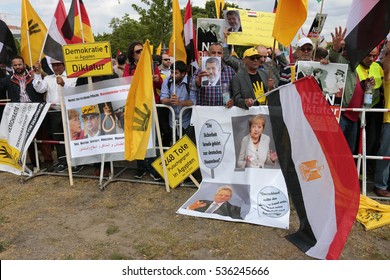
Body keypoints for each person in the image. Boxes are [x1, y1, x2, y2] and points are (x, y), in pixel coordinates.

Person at [0, 55, 53, 169]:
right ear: (12, 66)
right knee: (27, 138)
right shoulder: (8, 79)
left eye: (20, 64)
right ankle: (35, 163)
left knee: (42, 135)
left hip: (36, 110)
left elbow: (45, 83)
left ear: (24, 65)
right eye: (15, 65)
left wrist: (38, 71)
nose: (18, 67)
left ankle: (49, 161)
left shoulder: (33, 75)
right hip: (20, 113)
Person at [123, 41, 164, 180]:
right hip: (137, 108)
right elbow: (124, 86)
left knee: (154, 138)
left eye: (142, 50)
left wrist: (158, 79)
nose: (141, 53)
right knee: (139, 136)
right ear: (132, 55)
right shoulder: (128, 68)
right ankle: (141, 167)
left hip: (152, 106)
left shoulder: (152, 66)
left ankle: (153, 168)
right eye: (137, 51)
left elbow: (160, 85)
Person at [33, 58, 78, 173]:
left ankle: (75, 163)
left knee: (73, 137)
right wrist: (37, 74)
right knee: (58, 138)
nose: (56, 68)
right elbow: (40, 89)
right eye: (53, 65)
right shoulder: (48, 78)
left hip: (69, 110)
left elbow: (74, 91)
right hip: (54, 112)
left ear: (64, 65)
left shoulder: (72, 76)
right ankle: (63, 162)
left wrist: (63, 84)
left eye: (58, 65)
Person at [329, 26, 365, 154]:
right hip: (342, 115)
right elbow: (333, 58)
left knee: (348, 153)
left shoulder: (355, 65)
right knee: (337, 149)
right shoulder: (341, 61)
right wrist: (335, 49)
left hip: (353, 117)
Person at [191, 42, 236, 107]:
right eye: (213, 53)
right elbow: (192, 89)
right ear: (208, 54)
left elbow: (236, 91)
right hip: (205, 112)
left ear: (223, 55)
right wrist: (197, 82)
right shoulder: (200, 70)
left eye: (219, 53)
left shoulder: (230, 71)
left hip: (224, 111)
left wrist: (232, 100)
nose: (216, 55)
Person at [160, 61, 196, 136]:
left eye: (175, 73)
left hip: (187, 122)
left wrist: (180, 102)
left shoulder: (191, 82)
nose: (172, 75)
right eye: (171, 72)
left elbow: (193, 101)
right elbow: (163, 99)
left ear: (183, 74)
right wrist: (170, 100)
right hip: (171, 121)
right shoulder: (167, 81)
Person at [374, 45, 390, 197]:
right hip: (389, 120)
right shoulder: (388, 78)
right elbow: (386, 69)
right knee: (386, 154)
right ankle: (380, 185)